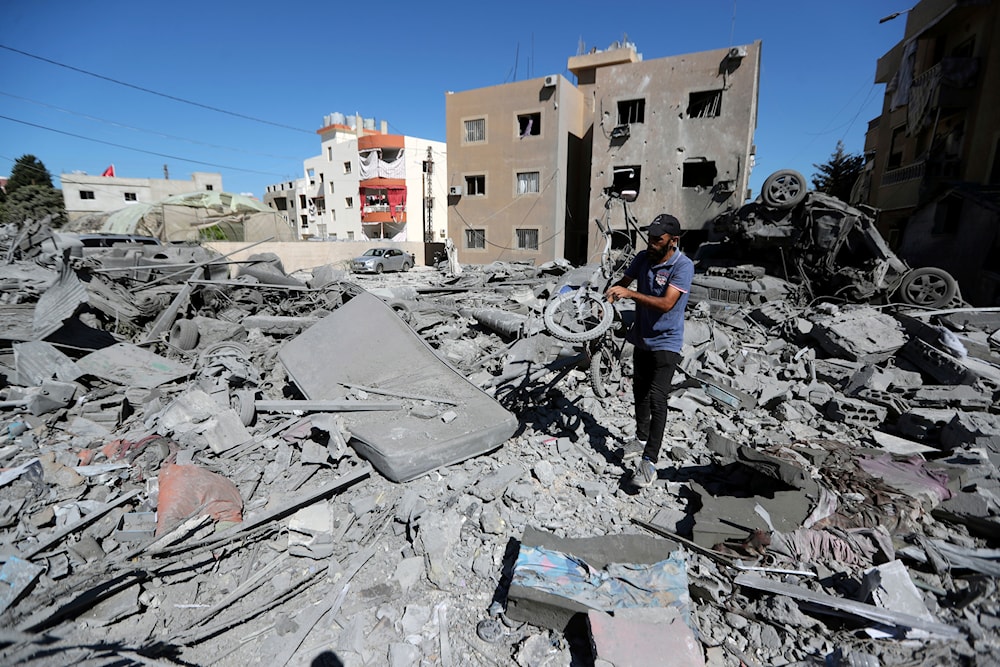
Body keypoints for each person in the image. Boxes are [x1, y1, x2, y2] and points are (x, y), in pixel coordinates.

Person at [605, 213, 694, 488]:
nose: (652, 242)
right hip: (642, 336)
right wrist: (609, 293)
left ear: (673, 241)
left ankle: (649, 461)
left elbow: (667, 304)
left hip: (667, 341)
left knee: (657, 398)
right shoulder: (644, 257)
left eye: (658, 239)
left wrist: (630, 295)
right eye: (650, 237)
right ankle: (640, 437)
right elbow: (625, 279)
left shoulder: (683, 266)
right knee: (639, 391)